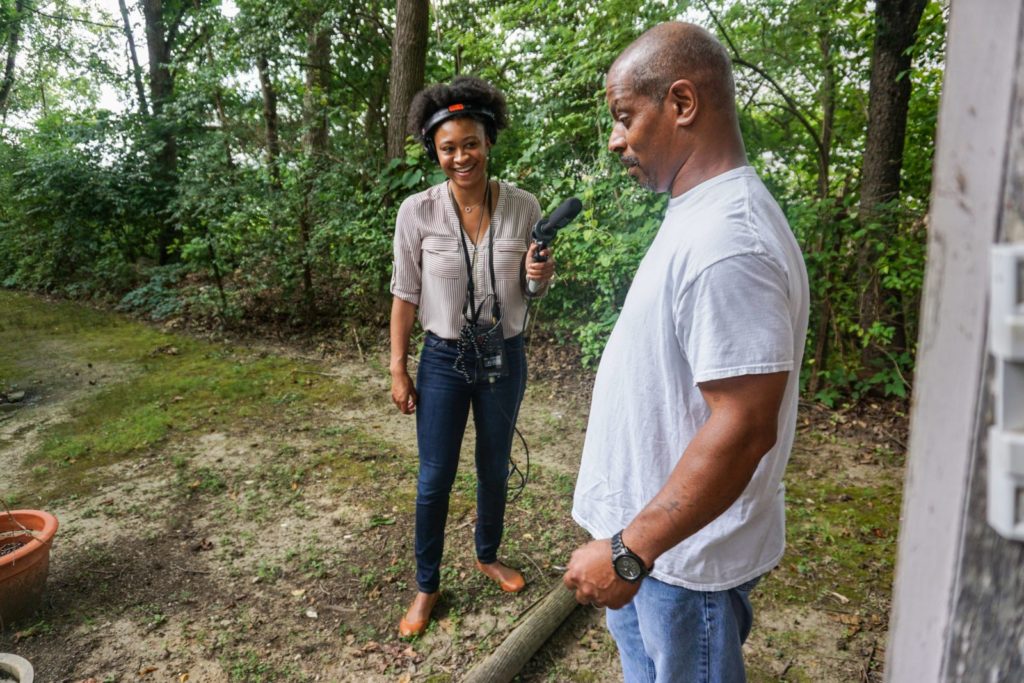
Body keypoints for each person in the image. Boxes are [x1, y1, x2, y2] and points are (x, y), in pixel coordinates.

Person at [562, 22, 809, 682]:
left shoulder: (729, 240)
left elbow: (743, 425)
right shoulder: (699, 213)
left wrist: (628, 550)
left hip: (679, 564)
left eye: (624, 116)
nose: (616, 139)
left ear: (683, 103)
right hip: (659, 556)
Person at [390, 76, 555, 638]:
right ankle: (426, 584)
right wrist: (398, 366)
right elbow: (405, 293)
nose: (462, 157)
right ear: (435, 153)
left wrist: (540, 278)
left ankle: (488, 554)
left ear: (488, 143)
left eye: (471, 144)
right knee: (434, 478)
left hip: (503, 354)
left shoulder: (524, 207)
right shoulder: (417, 212)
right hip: (442, 359)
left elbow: (530, 294)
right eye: (449, 148)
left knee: (493, 465)